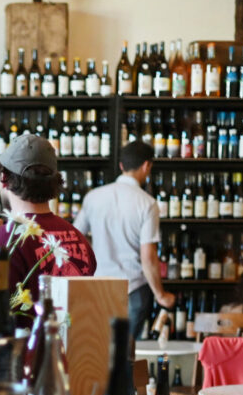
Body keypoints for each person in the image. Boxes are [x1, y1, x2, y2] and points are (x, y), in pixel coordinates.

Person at [0, 134, 96, 311]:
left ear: (3, 178)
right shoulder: (79, 237)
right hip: (74, 329)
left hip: (27, 331)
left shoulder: (4, 239)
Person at [73, 140, 176, 340]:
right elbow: (148, 257)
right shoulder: (147, 203)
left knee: (98, 347)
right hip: (133, 289)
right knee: (124, 351)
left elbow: (76, 238)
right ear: (146, 166)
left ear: (121, 165)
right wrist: (161, 295)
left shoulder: (93, 197)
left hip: (98, 286)